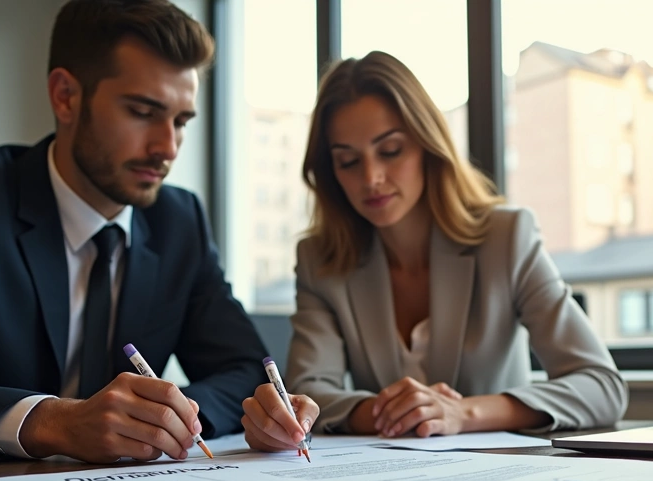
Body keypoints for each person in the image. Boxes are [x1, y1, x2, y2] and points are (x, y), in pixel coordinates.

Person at [0, 0, 271, 463]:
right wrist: (53, 422)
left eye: (181, 120)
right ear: (66, 96)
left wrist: (167, 420)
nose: (167, 147)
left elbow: (248, 372)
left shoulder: (179, 220)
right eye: (142, 112)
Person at [241, 51, 628, 453]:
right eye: (348, 161)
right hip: (387, 479)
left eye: (390, 151)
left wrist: (464, 413)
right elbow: (308, 395)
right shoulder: (321, 261)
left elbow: (602, 386)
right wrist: (402, 411)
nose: (371, 178)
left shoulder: (507, 238)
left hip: (498, 477)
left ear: (429, 146)